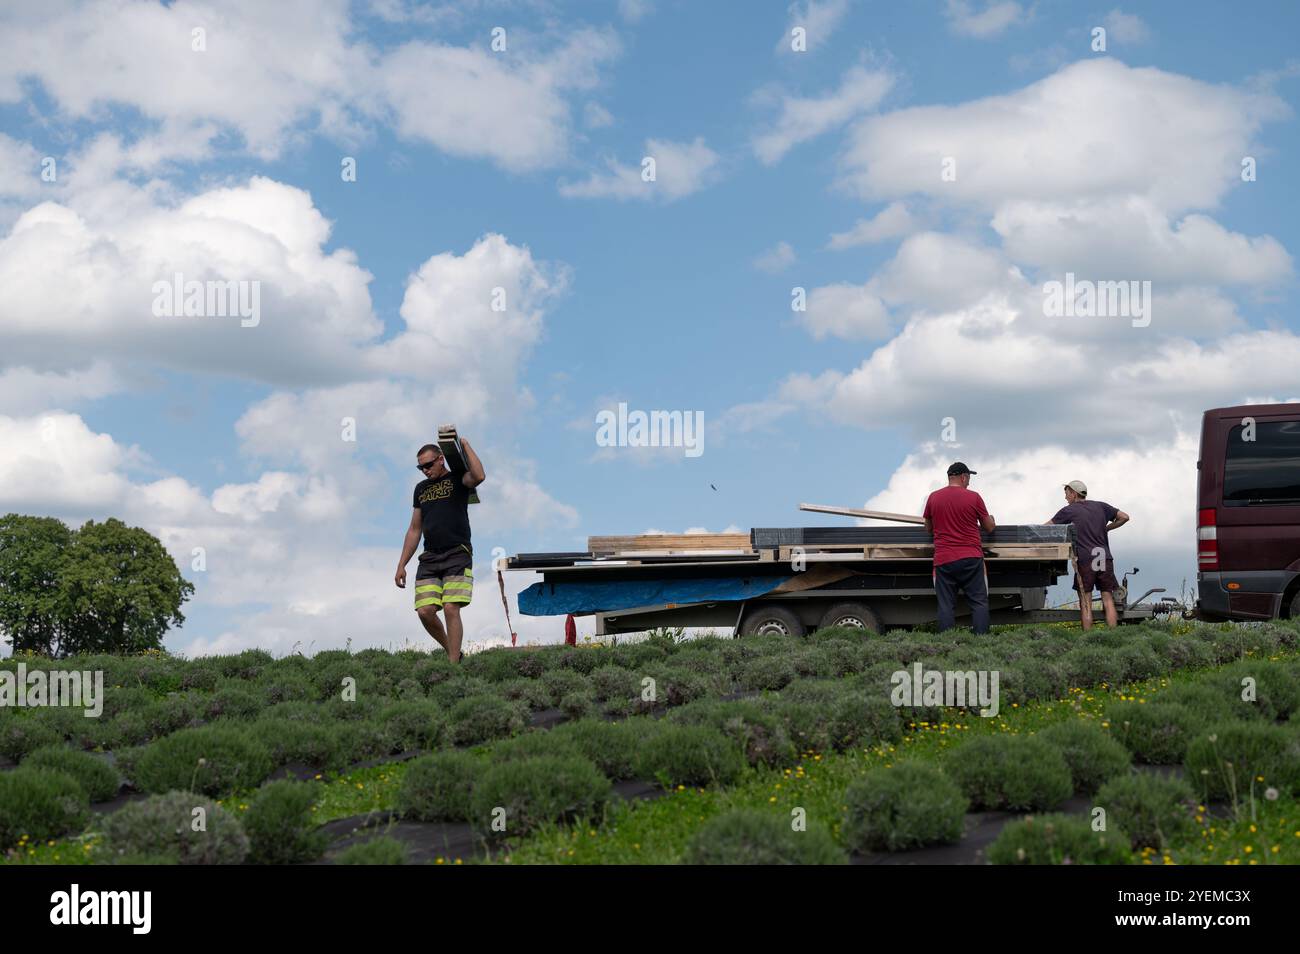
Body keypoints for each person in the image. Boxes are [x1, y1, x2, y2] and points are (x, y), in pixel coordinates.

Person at [394, 435, 486, 662]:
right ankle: (454, 653)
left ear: (441, 459)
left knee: (450, 607)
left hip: (457, 552)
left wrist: (465, 445)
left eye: (428, 465)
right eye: (421, 467)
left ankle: (453, 665)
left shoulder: (457, 479)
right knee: (424, 611)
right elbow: (414, 529)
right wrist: (401, 564)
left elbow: (479, 476)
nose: (425, 470)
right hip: (430, 557)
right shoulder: (421, 489)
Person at [923, 462, 996, 634]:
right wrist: (992, 518)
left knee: (946, 605)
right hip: (970, 558)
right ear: (963, 477)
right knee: (979, 602)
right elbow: (989, 527)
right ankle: (981, 644)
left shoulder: (933, 497)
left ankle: (947, 645)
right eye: (969, 478)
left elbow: (928, 528)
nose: (969, 483)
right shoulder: (974, 497)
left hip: (944, 559)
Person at [1047, 480, 1129, 630]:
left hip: (1085, 559)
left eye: (1066, 494)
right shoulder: (1101, 506)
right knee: (1108, 598)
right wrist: (1107, 529)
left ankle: (1088, 638)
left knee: (1086, 601)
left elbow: (1046, 528)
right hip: (1104, 557)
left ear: (1073, 493)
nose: (1066, 498)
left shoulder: (1069, 510)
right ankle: (1114, 635)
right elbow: (1124, 517)